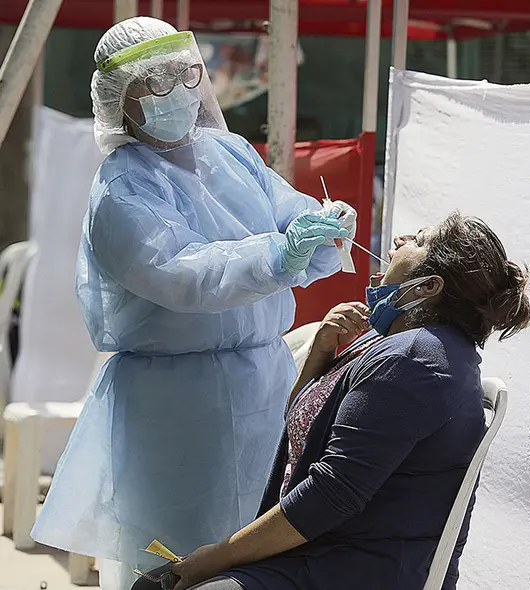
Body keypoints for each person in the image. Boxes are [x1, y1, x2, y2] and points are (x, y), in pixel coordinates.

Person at [30, 17, 357, 589]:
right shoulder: (123, 188)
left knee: (253, 553)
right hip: (176, 408)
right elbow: (180, 275)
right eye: (153, 82)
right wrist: (278, 256)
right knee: (169, 560)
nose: (175, 91)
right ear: (119, 101)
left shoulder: (229, 153)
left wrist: (320, 226)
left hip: (263, 384)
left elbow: (287, 214)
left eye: (184, 74)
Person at [149, 213, 530, 590]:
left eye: (417, 240)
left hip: (357, 568)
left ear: (427, 287)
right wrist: (320, 354)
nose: (398, 241)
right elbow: (304, 432)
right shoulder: (391, 342)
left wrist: (215, 557)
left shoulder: (412, 359)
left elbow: (330, 494)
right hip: (321, 551)